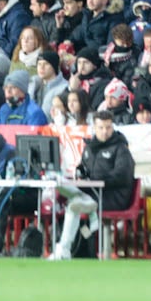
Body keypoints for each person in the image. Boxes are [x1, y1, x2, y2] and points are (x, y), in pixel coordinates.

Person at [48, 110, 135, 260]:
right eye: (101, 128)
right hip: (92, 193)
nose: (105, 131)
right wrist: (80, 173)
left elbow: (121, 176)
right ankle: (65, 248)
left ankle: (64, 249)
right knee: (60, 185)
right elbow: (84, 168)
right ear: (94, 128)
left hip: (112, 198)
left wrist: (95, 180)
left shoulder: (121, 149)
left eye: (108, 127)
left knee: (74, 204)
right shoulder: (89, 148)